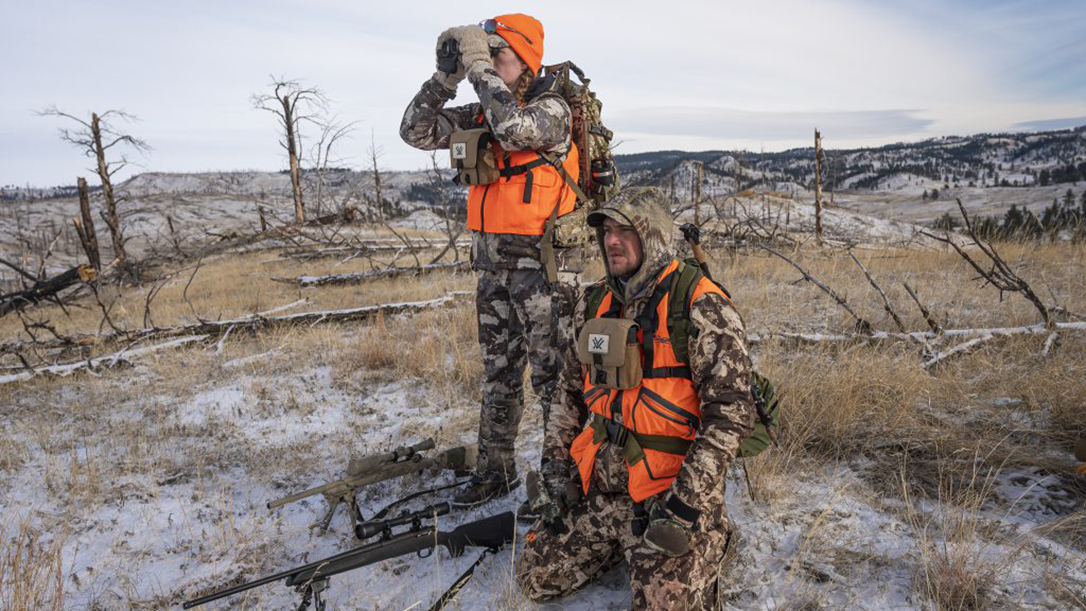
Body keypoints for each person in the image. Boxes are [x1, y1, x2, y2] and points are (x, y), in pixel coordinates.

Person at [516, 187, 754, 610]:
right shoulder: (593, 304)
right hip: (602, 488)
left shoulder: (701, 307)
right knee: (534, 576)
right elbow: (567, 394)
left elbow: (731, 414)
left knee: (663, 602)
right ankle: (623, 544)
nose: (611, 240)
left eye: (625, 230)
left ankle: (714, 539)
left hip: (670, 495)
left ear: (654, 236)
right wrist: (555, 470)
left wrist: (684, 504)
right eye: (607, 230)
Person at [400, 14, 584, 506]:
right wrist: (445, 78)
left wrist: (478, 66)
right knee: (499, 374)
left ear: (526, 59)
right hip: (493, 269)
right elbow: (415, 131)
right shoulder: (482, 113)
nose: (486, 61)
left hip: (544, 271)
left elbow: (513, 127)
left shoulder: (552, 110)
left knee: (554, 382)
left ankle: (559, 486)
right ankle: (495, 472)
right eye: (484, 53)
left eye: (497, 53)